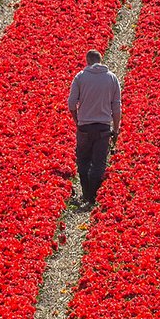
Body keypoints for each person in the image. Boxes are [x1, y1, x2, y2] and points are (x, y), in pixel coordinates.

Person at [68, 49, 121, 206]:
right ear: (101, 60)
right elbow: (117, 107)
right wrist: (116, 130)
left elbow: (71, 104)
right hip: (103, 128)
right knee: (99, 163)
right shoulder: (112, 78)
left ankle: (86, 194)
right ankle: (93, 197)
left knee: (83, 161)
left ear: (87, 61)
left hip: (84, 127)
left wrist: (77, 120)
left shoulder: (80, 77)